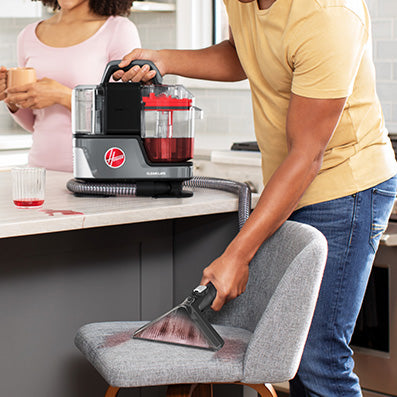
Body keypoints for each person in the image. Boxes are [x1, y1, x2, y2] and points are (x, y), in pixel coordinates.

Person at [114, 0, 397, 395]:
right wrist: (163, 58)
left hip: (345, 187)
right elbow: (240, 55)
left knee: (319, 358)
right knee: (299, 359)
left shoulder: (328, 14)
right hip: (295, 181)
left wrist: (237, 255)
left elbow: (307, 155)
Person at [0, 0, 141, 172]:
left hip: (96, 172)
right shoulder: (28, 35)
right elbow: (35, 123)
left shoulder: (119, 30)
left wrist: (62, 96)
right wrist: (12, 99)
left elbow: (123, 118)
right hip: (40, 172)